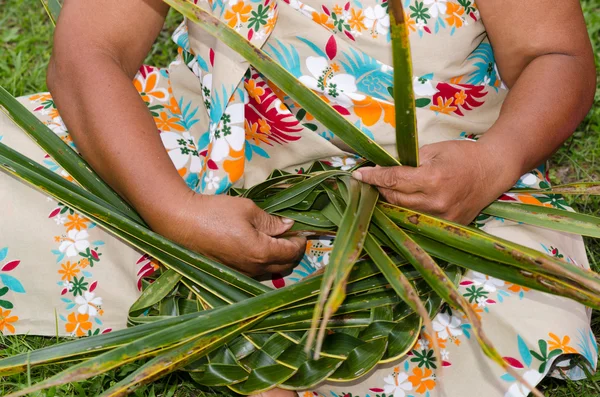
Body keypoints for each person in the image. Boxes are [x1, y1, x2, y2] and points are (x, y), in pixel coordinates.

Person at [0, 0, 596, 396]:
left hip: (430, 196)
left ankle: (248, 335)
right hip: (203, 161)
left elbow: (556, 56)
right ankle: (226, 307)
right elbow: (87, 53)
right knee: (15, 167)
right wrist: (172, 210)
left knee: (523, 300)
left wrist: (495, 160)